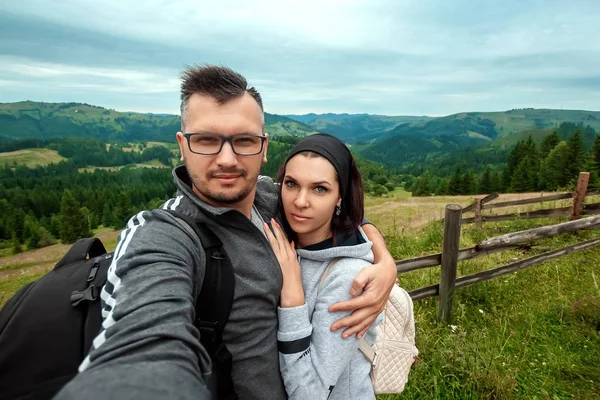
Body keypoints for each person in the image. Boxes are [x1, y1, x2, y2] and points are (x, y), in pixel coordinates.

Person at [54, 65, 397, 400]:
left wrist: (382, 259)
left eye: (244, 140)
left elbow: (337, 209)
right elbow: (144, 339)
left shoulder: (274, 197)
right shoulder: (166, 234)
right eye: (206, 140)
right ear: (182, 144)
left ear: (263, 147)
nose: (228, 160)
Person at [264, 134, 381, 399]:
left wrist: (293, 299)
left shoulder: (349, 278)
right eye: (292, 184)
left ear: (340, 197)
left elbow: (310, 394)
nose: (300, 201)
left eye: (320, 189)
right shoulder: (286, 240)